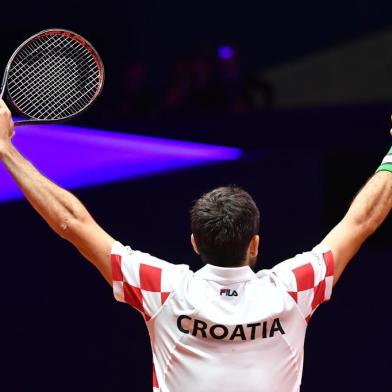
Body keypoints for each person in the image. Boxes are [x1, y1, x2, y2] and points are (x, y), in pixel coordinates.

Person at [0, 98, 391, 392]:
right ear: (255, 245)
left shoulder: (164, 289)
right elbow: (363, 220)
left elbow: (71, 222)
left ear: (193, 243)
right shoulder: (292, 290)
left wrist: (6, 150)